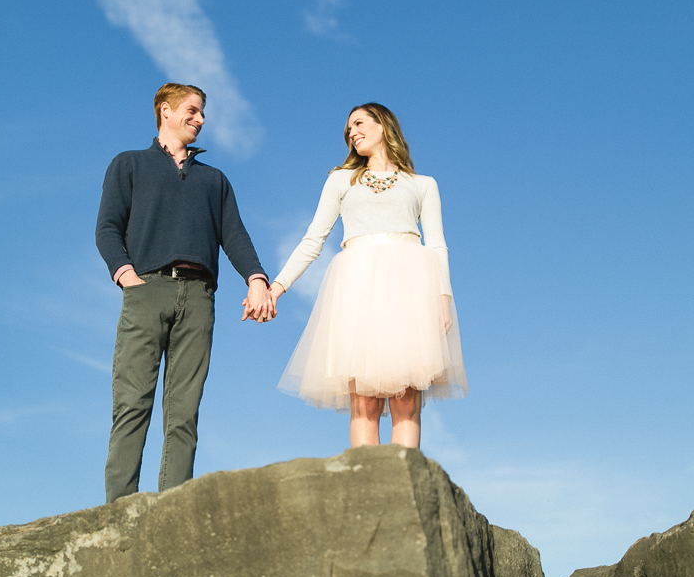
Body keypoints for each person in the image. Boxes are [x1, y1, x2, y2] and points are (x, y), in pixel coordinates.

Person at [96, 83, 275, 503]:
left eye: (203, 113)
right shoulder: (130, 164)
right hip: (146, 290)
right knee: (132, 403)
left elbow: (234, 234)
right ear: (166, 110)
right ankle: (119, 511)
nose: (200, 119)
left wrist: (256, 278)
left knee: (184, 413)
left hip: (198, 298)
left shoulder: (214, 180)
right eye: (193, 110)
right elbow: (107, 228)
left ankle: (173, 511)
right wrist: (127, 277)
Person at [269, 103, 467, 448]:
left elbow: (437, 244)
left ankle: (405, 490)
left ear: (383, 126)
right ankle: (368, 490)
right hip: (357, 287)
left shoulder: (422, 184)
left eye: (359, 123)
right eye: (349, 129)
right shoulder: (340, 180)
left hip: (411, 287)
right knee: (364, 401)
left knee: (407, 398)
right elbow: (313, 240)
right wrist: (277, 287)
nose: (352, 132)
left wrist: (444, 298)